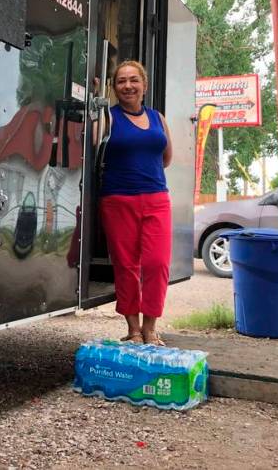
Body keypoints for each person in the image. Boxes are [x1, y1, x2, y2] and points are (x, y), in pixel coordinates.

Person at [98, 60, 173, 346]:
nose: (127, 85)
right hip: (118, 199)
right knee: (126, 265)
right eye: (121, 81)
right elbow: (93, 146)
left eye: (133, 80)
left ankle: (151, 327)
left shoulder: (158, 118)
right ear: (115, 88)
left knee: (156, 263)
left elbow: (166, 157)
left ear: (143, 84)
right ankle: (133, 329)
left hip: (156, 198)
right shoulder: (109, 117)